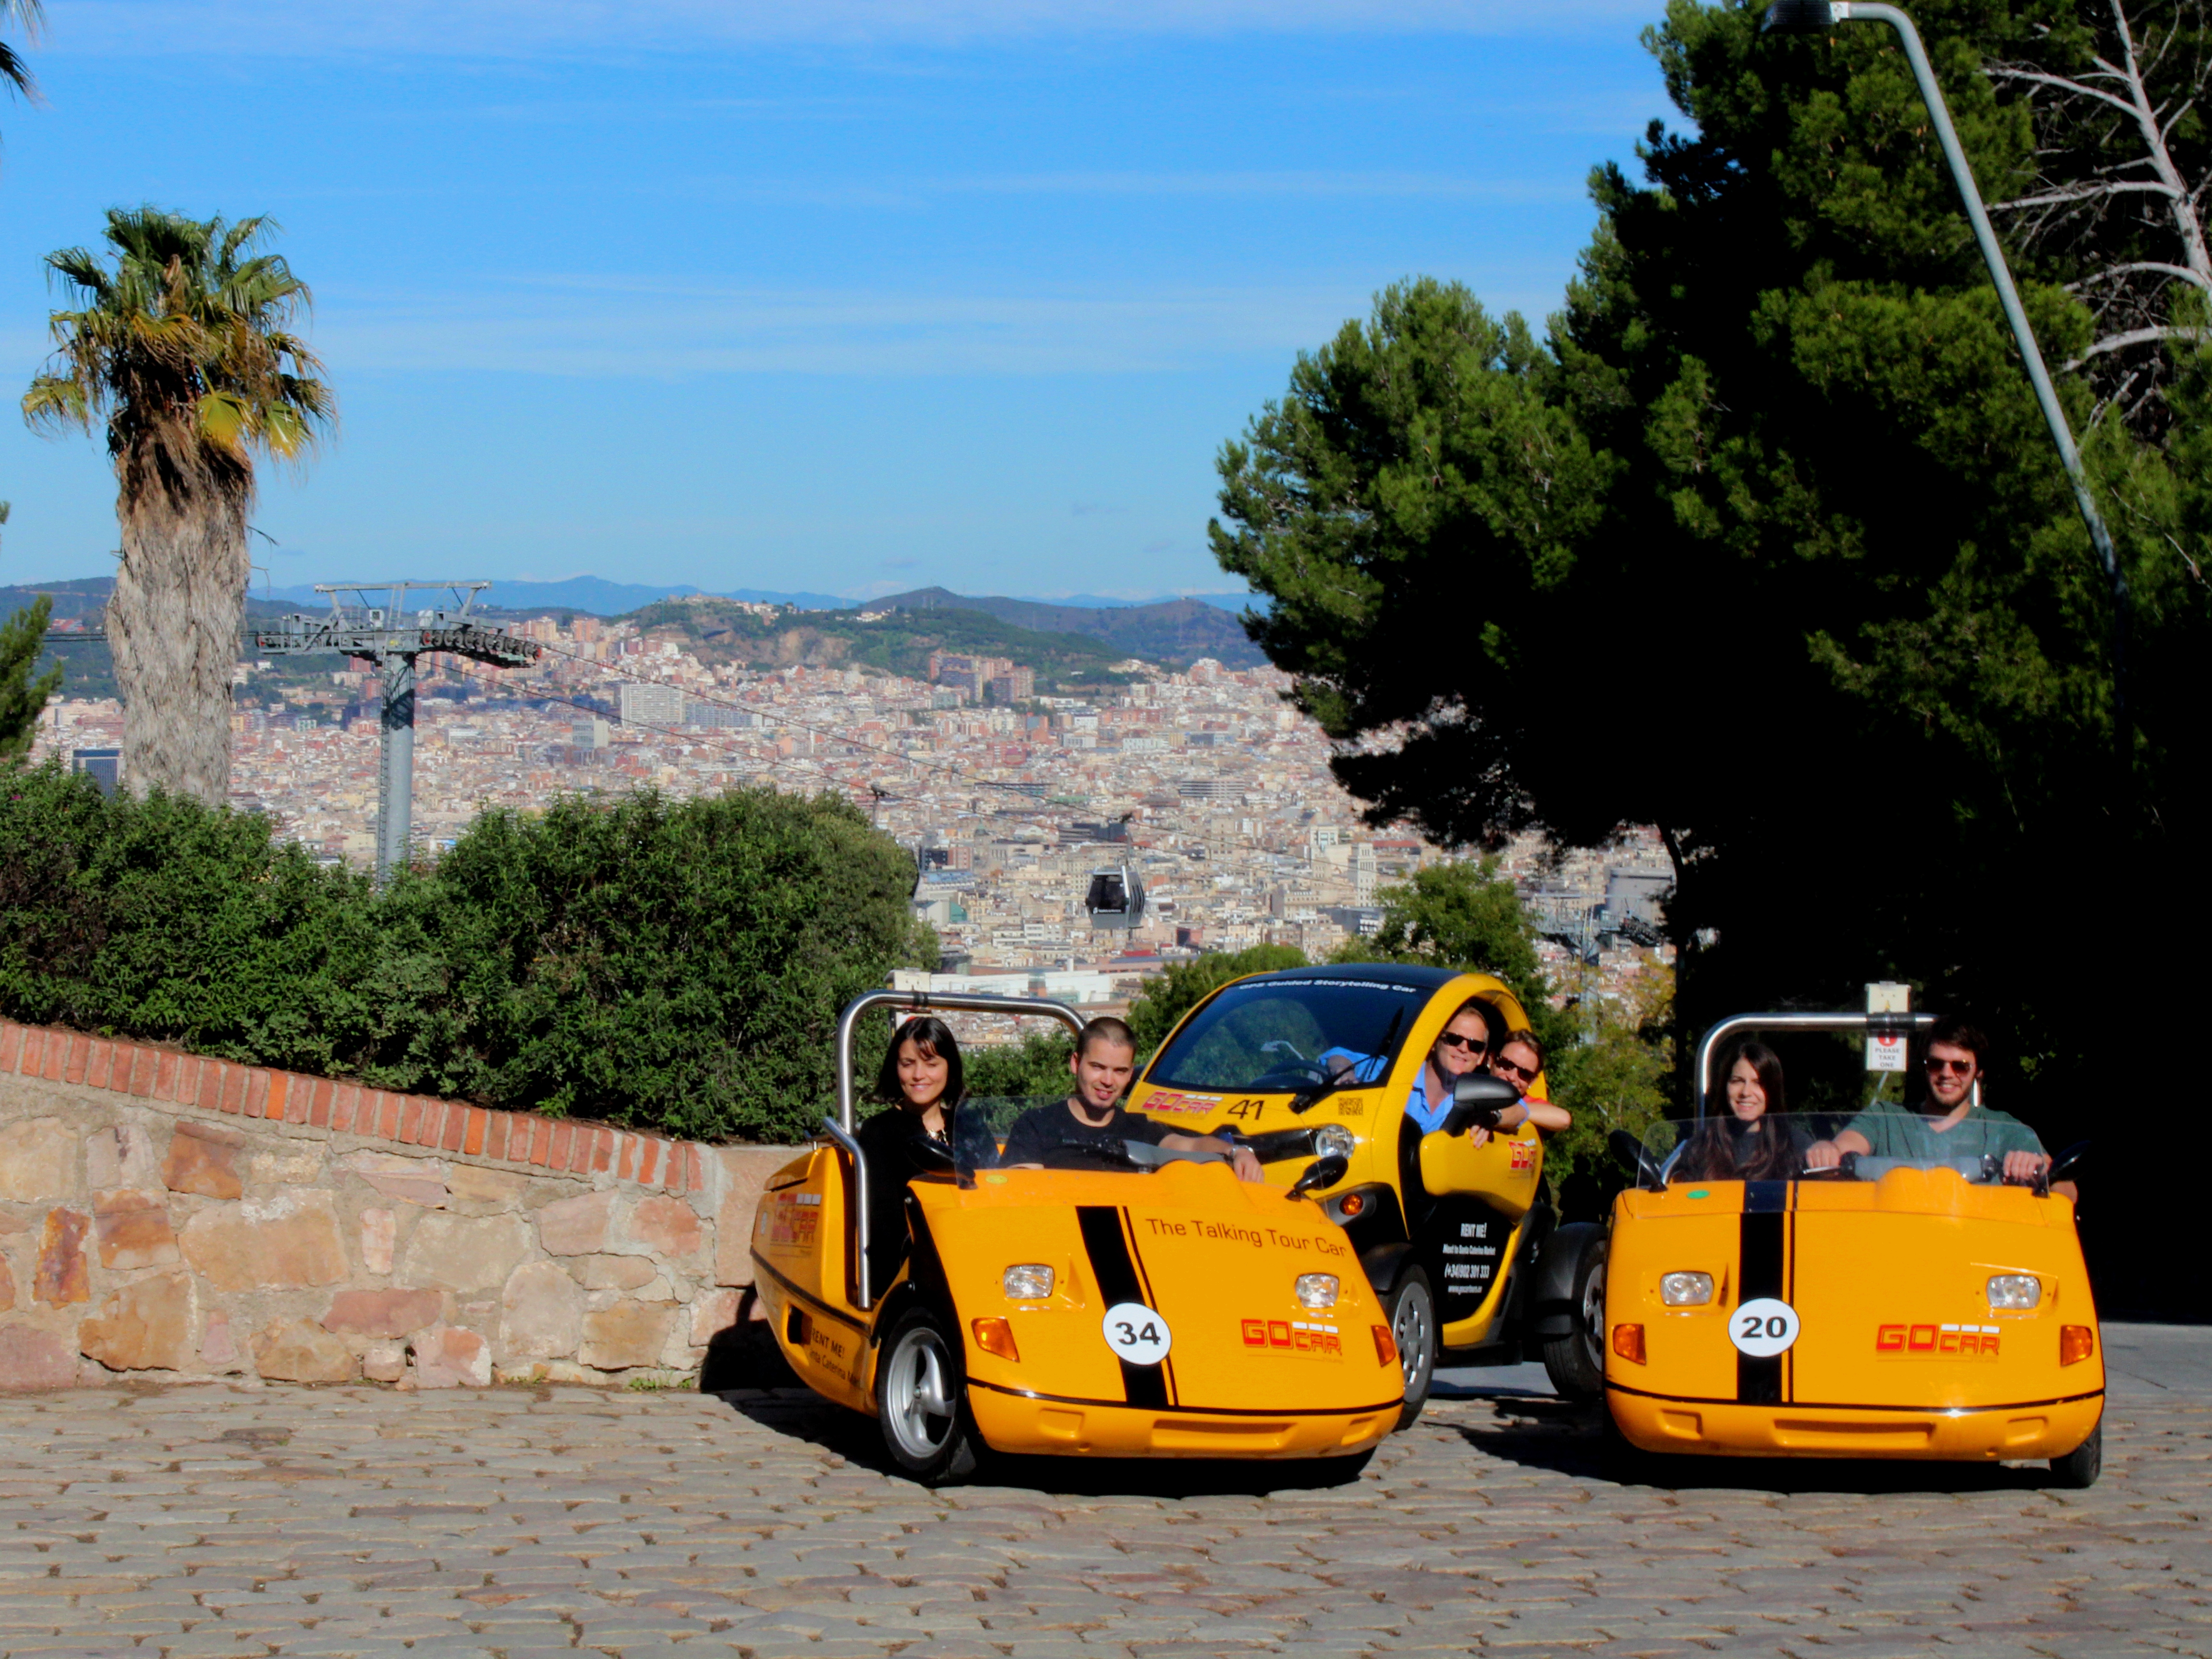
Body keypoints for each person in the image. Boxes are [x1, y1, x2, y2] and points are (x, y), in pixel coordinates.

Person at [1805, 1016, 2066, 1193]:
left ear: (1979, 1072)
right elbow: (1843, 1148)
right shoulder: (1885, 1118)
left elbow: (2066, 1189)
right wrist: (1827, 1149)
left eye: (1960, 1066)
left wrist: (2037, 1169)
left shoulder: (2002, 1128)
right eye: (1936, 1063)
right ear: (1924, 1066)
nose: (1947, 1074)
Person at [1000, 1016, 1265, 1182]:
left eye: (1119, 1071)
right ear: (1075, 1064)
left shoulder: (1140, 1129)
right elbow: (1025, 1192)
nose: (1107, 1080)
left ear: (1130, 1076)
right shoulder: (1037, 1125)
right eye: (1098, 1067)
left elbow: (1192, 1147)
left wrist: (1238, 1152)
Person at [858, 1016, 963, 1289]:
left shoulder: (967, 1126)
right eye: (908, 1064)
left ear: (949, 1069)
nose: (919, 1075)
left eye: (931, 1064)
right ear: (896, 1069)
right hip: (912, 1271)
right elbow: (884, 1224)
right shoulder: (879, 1132)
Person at [1403, 999, 1558, 1146]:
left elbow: (1519, 1111)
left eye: (1475, 1046)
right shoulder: (1390, 1074)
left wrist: (1491, 1117)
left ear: (1481, 1057)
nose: (1463, 1049)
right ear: (1435, 1041)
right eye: (1454, 1039)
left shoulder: (1482, 1094)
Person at [1678, 1041, 1808, 1181]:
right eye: (1737, 1081)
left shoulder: (1795, 1146)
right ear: (1724, 1086)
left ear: (1772, 1090)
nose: (1746, 1092)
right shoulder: (1699, 1148)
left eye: (1758, 1083)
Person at [1488, 1030, 1572, 1135]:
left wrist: (1519, 1111)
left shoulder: (1527, 1102)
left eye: (1524, 1074)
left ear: (1532, 1081)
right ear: (1491, 1060)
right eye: (1506, 1064)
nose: (1512, 1077)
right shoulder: (1467, 1086)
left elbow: (1563, 1119)